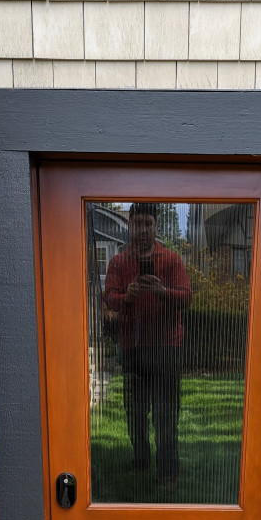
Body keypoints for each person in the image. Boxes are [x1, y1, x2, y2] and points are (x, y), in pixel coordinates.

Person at [104, 203, 191, 485]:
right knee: (136, 413)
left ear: (156, 225)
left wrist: (162, 291)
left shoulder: (171, 259)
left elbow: (186, 298)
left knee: (166, 414)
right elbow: (109, 298)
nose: (142, 229)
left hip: (167, 347)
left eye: (148, 223)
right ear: (130, 225)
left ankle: (168, 474)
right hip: (133, 346)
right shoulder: (118, 262)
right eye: (137, 223)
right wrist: (127, 296)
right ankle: (140, 464)